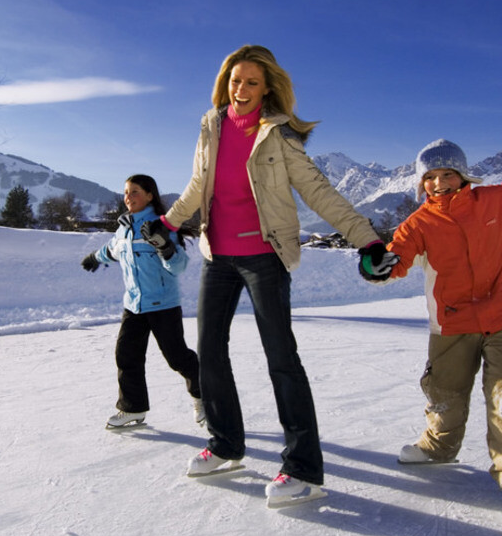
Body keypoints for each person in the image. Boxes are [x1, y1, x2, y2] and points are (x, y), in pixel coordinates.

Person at [142, 45, 397, 507]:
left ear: (268, 89)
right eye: (235, 81)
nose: (241, 90)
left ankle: (302, 468)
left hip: (264, 255)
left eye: (251, 83)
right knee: (211, 353)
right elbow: (199, 185)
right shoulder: (211, 126)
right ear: (226, 82)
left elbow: (321, 193)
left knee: (281, 357)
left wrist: (368, 240)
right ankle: (225, 444)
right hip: (218, 255)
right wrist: (168, 222)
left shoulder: (278, 136)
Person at [369, 138, 502, 511]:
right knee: (444, 391)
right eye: (430, 176)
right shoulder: (419, 223)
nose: (439, 182)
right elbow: (394, 260)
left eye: (447, 173)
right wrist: (375, 267)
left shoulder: (494, 199)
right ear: (421, 182)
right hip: (452, 321)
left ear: (463, 175)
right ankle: (439, 448)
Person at [81, 174, 204, 430]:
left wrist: (165, 248)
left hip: (163, 304)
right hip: (134, 305)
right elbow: (113, 249)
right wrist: (95, 257)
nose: (128, 197)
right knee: (126, 355)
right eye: (126, 192)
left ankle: (204, 397)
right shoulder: (124, 227)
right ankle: (133, 408)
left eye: (134, 191)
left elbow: (179, 266)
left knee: (177, 357)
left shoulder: (160, 226)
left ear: (149, 195)